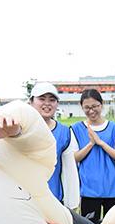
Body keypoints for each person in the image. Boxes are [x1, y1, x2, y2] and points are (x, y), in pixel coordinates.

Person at [72, 89, 115, 224]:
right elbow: (74, 158)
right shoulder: (76, 129)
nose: (91, 111)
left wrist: (100, 142)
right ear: (82, 107)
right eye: (87, 107)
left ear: (102, 105)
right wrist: (91, 143)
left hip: (112, 189)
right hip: (89, 190)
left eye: (95, 106)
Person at [29, 82, 80, 210]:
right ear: (31, 101)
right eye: (41, 99)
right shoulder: (20, 129)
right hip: (25, 202)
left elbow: (70, 171)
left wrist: (72, 204)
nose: (47, 103)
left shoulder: (65, 133)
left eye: (52, 100)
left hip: (54, 201)